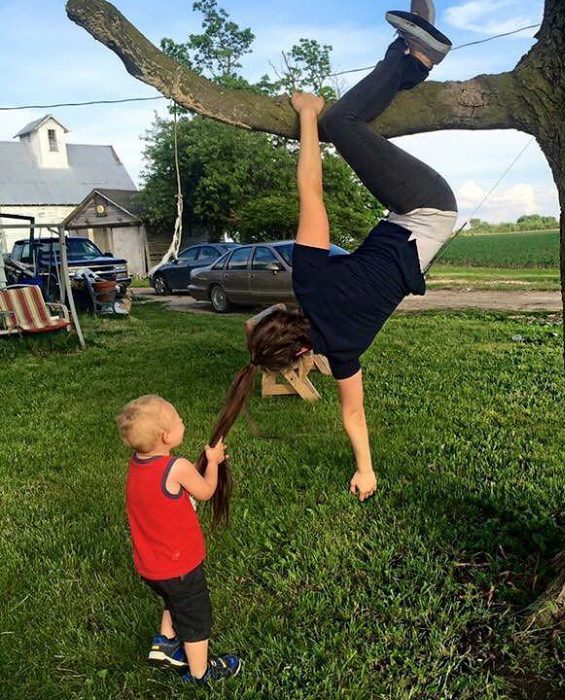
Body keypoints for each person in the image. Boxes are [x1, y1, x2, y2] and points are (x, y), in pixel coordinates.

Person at [207, 2, 457, 502]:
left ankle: (408, 64)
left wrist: (366, 470)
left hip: (421, 222)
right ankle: (418, 57)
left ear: (301, 354)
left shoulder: (342, 352)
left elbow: (353, 414)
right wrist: (306, 117)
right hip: (423, 207)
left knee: (351, 122)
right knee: (341, 121)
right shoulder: (310, 285)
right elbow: (312, 194)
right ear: (280, 314)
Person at [117, 395, 242, 684]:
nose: (182, 420)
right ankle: (200, 673)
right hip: (180, 566)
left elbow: (168, 497)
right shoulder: (177, 468)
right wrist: (213, 462)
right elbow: (207, 491)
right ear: (166, 436)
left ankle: (166, 643)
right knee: (196, 616)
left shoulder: (137, 464)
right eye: (178, 419)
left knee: (173, 598)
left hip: (151, 567)